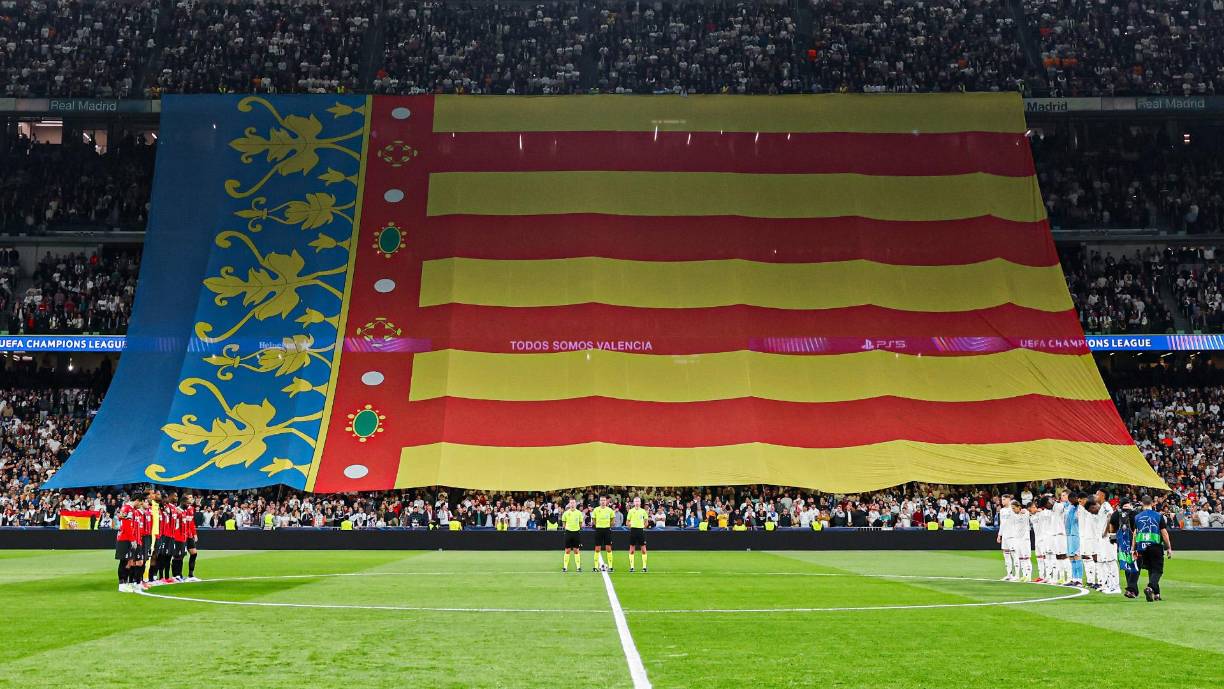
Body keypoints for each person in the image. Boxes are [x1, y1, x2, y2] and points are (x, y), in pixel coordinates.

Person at [1132, 494, 1174, 602]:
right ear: (1152, 503)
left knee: (1152, 570)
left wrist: (1133, 548)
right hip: (1155, 546)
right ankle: (1150, 587)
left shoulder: (1137, 517)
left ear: (1142, 503)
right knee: (1157, 570)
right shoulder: (1158, 516)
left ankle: (1156, 594)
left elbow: (1135, 534)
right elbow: (1164, 533)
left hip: (1142, 547)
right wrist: (1169, 547)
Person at [114, 496, 142, 593]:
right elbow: (126, 525)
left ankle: (125, 582)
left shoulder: (130, 509)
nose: (140, 505)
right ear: (137, 500)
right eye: (140, 503)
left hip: (128, 538)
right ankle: (121, 584)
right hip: (124, 538)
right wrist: (132, 539)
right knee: (124, 561)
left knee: (129, 562)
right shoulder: (127, 508)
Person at [1005, 500, 1032, 581]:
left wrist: (1025, 511)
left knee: (1026, 558)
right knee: (1020, 558)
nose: (1013, 510)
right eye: (1012, 508)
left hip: (1025, 539)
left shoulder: (1025, 513)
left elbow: (1031, 511)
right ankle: (1024, 575)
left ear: (1019, 507)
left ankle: (1029, 576)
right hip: (1017, 539)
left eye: (1014, 508)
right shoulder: (1013, 515)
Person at [591, 496, 616, 572]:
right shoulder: (596, 510)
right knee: (597, 548)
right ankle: (595, 567)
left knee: (608, 548)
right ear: (599, 501)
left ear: (606, 501)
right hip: (598, 530)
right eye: (601, 500)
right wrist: (598, 525)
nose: (603, 502)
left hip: (607, 530)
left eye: (604, 500)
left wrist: (608, 526)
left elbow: (612, 520)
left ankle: (611, 567)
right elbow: (593, 519)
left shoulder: (610, 510)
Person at [626, 497, 649, 573]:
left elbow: (646, 522)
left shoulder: (643, 511)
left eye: (638, 501)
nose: (637, 502)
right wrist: (630, 525)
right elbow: (627, 522)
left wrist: (643, 527)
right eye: (635, 501)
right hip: (633, 530)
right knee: (632, 549)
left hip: (640, 531)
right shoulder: (631, 511)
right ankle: (632, 567)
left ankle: (644, 567)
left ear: (640, 503)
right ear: (633, 502)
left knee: (643, 549)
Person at [561, 499, 584, 573]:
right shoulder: (565, 513)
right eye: (571, 503)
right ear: (569, 504)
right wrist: (568, 528)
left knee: (576, 550)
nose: (572, 504)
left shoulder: (579, 513)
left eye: (573, 503)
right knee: (567, 550)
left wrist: (576, 528)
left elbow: (580, 524)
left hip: (576, 533)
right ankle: (565, 567)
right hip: (568, 532)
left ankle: (578, 567)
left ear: (575, 504)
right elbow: (564, 524)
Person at [182, 493, 200, 581]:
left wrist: (195, 534)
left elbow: (192, 523)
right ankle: (178, 575)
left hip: (189, 535)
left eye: (191, 497)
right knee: (180, 555)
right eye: (189, 497)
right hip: (182, 535)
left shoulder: (192, 509)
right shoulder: (181, 509)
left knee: (194, 553)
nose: (191, 499)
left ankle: (191, 575)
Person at [996, 494, 1014, 580]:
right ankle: (1009, 574)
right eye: (1002, 499)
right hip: (1005, 535)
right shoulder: (1002, 511)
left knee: (1014, 554)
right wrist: (999, 535)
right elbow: (1002, 524)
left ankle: (1017, 575)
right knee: (1006, 555)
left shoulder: (1013, 509)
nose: (1002, 501)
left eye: (1003, 499)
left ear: (1008, 500)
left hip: (1012, 535)